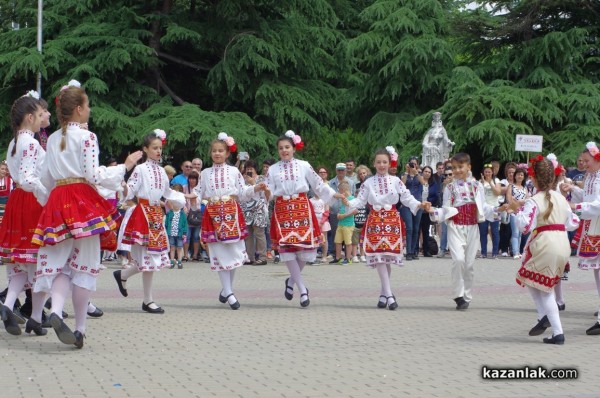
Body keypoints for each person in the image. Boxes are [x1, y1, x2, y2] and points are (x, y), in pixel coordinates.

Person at [33, 80, 142, 348]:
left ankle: (56, 310)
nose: (90, 110)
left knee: (60, 262)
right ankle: (80, 329)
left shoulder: (54, 139)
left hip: (58, 201)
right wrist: (125, 167)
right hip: (81, 201)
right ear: (79, 109)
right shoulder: (87, 137)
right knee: (84, 266)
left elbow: (45, 178)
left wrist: (49, 203)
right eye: (88, 105)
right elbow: (94, 175)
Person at [266, 130, 343, 307]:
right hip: (282, 210)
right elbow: (269, 192)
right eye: (281, 148)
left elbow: (317, 184)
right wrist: (264, 191)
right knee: (287, 249)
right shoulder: (273, 169)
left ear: (294, 148)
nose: (284, 150)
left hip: (301, 207)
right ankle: (302, 289)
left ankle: (291, 282)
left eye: (287, 147)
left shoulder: (303, 165)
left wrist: (333, 194)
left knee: (305, 250)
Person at [347, 146, 430, 310]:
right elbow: (360, 201)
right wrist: (348, 203)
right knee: (379, 257)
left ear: (390, 162)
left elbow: (406, 197)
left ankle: (384, 293)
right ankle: (390, 295)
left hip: (392, 220)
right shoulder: (368, 183)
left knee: (387, 258)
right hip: (375, 221)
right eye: (378, 162)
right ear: (374, 164)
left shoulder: (396, 181)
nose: (382, 165)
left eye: (384, 162)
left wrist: (419, 204)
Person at [114, 130, 185, 314]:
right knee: (147, 259)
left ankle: (124, 276)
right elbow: (131, 192)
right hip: (143, 214)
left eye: (160, 148)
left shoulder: (162, 170)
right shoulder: (140, 169)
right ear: (145, 149)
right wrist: (123, 187)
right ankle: (147, 300)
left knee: (149, 260)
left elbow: (167, 193)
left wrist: (180, 198)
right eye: (154, 148)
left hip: (155, 214)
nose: (158, 151)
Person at [510, 156, 579, 344]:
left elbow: (525, 227)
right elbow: (574, 222)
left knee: (545, 288)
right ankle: (544, 318)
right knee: (531, 278)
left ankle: (556, 331)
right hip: (562, 243)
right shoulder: (561, 199)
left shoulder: (534, 200)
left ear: (533, 178)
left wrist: (517, 211)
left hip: (545, 243)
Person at [198, 133, 267, 310]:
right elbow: (199, 193)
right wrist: (186, 199)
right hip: (213, 215)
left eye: (221, 151)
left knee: (234, 253)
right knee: (219, 252)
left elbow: (242, 192)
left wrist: (255, 188)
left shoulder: (234, 171)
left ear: (228, 153)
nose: (217, 154)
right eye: (214, 151)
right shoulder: (205, 173)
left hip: (231, 213)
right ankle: (229, 293)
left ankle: (226, 290)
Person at [0, 93, 47, 337]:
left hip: (17, 200)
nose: (42, 120)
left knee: (21, 263)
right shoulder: (32, 143)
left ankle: (8, 305)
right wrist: (46, 193)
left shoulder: (14, 142)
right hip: (31, 201)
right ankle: (36, 318)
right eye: (40, 115)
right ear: (29, 117)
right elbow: (30, 178)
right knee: (39, 262)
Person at [429, 153, 500, 310]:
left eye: (460, 167)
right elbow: (446, 208)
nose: (457, 170)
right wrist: (434, 212)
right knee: (458, 260)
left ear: (469, 167)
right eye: (454, 168)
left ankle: (466, 295)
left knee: (469, 264)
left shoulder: (477, 186)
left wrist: (499, 209)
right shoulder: (450, 187)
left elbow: (484, 207)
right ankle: (458, 295)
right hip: (455, 226)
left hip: (472, 227)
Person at [565, 142, 600, 335]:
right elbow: (588, 198)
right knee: (597, 272)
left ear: (596, 158)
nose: (583, 164)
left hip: (598, 227)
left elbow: (598, 204)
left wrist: (576, 208)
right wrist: (573, 189)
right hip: (592, 228)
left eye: (587, 160)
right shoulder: (590, 176)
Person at [241, 160, 269, 265]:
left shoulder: (261, 178)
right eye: (247, 169)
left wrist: (253, 183)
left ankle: (262, 257)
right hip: (246, 209)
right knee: (248, 234)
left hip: (259, 208)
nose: (249, 171)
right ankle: (250, 257)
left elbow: (264, 192)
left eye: (251, 169)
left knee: (259, 233)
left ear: (255, 169)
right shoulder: (243, 180)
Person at [401, 156, 425, 260]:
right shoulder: (404, 174)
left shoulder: (419, 175)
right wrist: (407, 172)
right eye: (411, 163)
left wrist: (416, 172)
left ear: (417, 165)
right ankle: (409, 251)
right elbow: (401, 184)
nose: (412, 165)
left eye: (415, 164)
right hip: (406, 204)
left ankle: (414, 251)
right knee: (409, 227)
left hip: (418, 203)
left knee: (416, 228)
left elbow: (423, 183)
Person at [478, 163, 502, 259]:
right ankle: (483, 252)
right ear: (483, 172)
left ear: (492, 172)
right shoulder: (480, 182)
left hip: (495, 209)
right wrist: (483, 183)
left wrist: (490, 182)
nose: (487, 173)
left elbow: (497, 193)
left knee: (495, 231)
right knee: (483, 231)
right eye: (486, 171)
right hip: (484, 209)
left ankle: (495, 253)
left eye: (489, 172)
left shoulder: (496, 180)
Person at [507, 168, 530, 259]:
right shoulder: (511, 186)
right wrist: (516, 206)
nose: (520, 176)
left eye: (522, 175)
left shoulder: (525, 188)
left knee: (520, 233)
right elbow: (509, 198)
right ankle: (515, 252)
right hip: (514, 212)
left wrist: (521, 202)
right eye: (518, 174)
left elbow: (528, 199)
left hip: (522, 212)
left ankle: (518, 251)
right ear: (515, 176)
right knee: (515, 233)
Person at [332, 181, 356, 264]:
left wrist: (344, 215)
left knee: (348, 242)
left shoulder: (352, 199)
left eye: (339, 191)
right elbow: (342, 209)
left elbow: (355, 211)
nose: (339, 193)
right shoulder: (343, 199)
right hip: (341, 224)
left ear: (343, 190)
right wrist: (339, 214)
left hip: (348, 224)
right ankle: (338, 258)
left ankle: (348, 258)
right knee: (337, 241)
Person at [419, 166, 439, 257]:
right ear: (422, 172)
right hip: (418, 208)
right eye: (426, 171)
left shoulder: (433, 183)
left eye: (429, 172)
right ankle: (415, 249)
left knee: (426, 230)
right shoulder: (418, 181)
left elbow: (435, 195)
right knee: (417, 230)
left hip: (427, 209)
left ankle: (426, 250)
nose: (427, 173)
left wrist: (429, 204)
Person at [165, 194, 188, 270]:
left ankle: (179, 261)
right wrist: (165, 231)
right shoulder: (169, 213)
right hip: (171, 233)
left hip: (180, 233)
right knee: (172, 247)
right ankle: (172, 261)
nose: (176, 205)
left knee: (179, 247)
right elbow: (166, 223)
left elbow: (185, 224)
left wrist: (184, 233)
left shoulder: (182, 214)